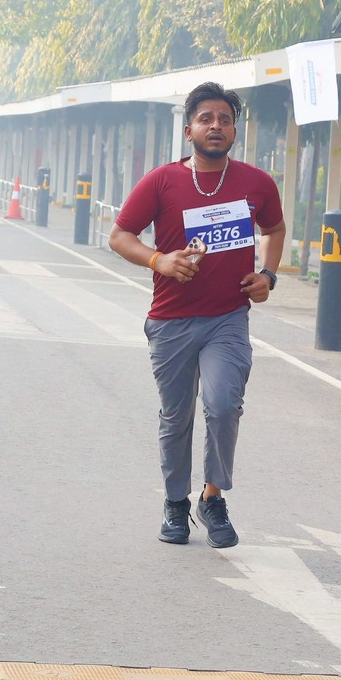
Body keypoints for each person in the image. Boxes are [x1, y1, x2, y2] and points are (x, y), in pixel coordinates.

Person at [109, 81, 286, 550]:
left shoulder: (256, 183)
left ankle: (212, 497)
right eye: (205, 118)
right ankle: (175, 503)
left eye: (225, 119)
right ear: (189, 130)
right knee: (177, 416)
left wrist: (267, 275)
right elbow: (120, 236)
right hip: (171, 320)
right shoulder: (162, 181)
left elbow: (275, 228)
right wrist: (159, 260)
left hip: (227, 317)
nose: (216, 126)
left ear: (234, 131)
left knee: (224, 405)